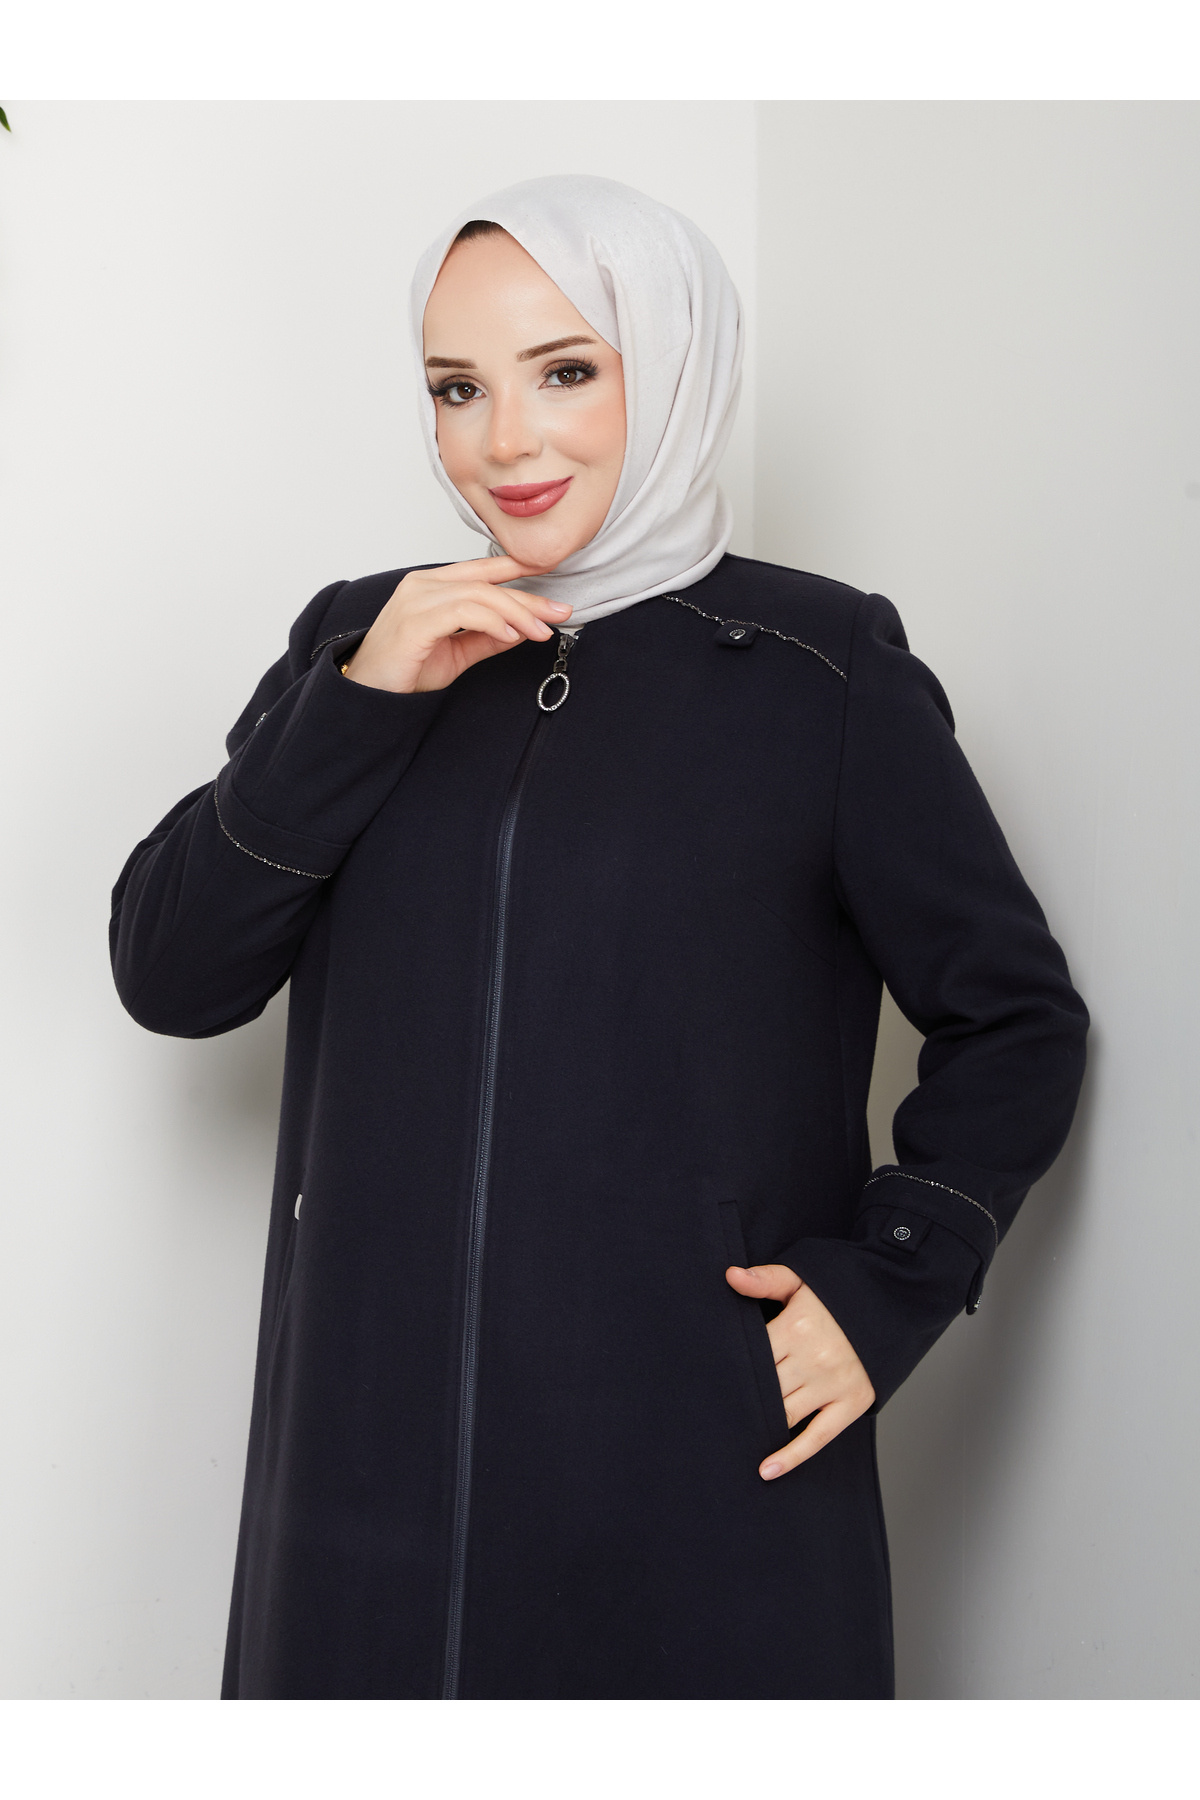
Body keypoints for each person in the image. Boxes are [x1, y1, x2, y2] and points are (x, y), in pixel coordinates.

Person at [110, 175, 1088, 1700]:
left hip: (689, 1464)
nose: (505, 440)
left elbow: (1014, 1016)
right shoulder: (364, 640)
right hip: (361, 1472)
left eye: (565, 371)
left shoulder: (820, 669)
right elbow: (171, 972)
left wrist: (891, 1279)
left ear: (674, 364)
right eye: (457, 388)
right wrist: (359, 703)